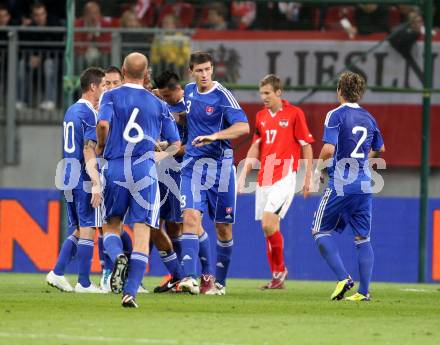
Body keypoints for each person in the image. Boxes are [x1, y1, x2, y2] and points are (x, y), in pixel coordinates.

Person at [96, 52, 181, 308]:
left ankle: (118, 256)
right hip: (144, 169)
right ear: (146, 74)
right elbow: (176, 144)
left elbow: (102, 125)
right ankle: (130, 293)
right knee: (143, 232)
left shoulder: (110, 95)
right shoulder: (159, 104)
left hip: (116, 166)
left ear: (123, 70)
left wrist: (101, 145)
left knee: (111, 225)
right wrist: (159, 156)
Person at [178, 51, 249, 295]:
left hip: (220, 169)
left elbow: (243, 127)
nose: (205, 74)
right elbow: (177, 107)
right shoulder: (188, 91)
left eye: (208, 69)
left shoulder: (222, 96)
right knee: (190, 218)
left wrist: (216, 135)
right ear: (191, 72)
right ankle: (189, 277)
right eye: (199, 70)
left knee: (223, 229)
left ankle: (218, 282)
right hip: (192, 167)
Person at [312, 71, 385, 301]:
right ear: (359, 93)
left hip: (342, 181)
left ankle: (343, 278)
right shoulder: (369, 117)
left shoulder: (335, 115)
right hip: (364, 182)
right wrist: (363, 160)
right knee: (363, 238)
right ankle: (364, 293)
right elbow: (380, 149)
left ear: (339, 91)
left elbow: (328, 149)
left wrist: (317, 170)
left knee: (319, 230)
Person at [238, 74, 314, 289]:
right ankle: (277, 276)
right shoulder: (261, 116)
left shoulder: (294, 114)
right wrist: (243, 174)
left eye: (267, 93)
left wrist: (308, 177)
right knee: (268, 228)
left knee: (268, 222)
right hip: (264, 178)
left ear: (278, 93)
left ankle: (280, 272)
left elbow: (306, 145)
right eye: (261, 93)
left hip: (285, 177)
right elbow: (255, 146)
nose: (264, 97)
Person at [152, 70, 215, 294]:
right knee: (165, 224)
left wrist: (169, 151)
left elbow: (197, 143)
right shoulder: (163, 105)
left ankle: (206, 276)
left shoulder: (193, 106)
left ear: (178, 89)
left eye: (167, 96)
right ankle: (179, 275)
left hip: (188, 170)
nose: (165, 100)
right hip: (165, 171)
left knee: (190, 222)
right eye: (163, 96)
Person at [46, 67, 106, 293]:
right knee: (89, 228)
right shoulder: (90, 113)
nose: (104, 90)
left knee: (80, 229)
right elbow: (87, 149)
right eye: (102, 86)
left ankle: (58, 272)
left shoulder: (71, 110)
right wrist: (96, 182)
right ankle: (83, 282)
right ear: (93, 87)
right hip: (82, 175)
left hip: (67, 174)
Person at [17, 2, 62, 111]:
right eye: (37, 15)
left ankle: (49, 100)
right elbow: (24, 47)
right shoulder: (29, 27)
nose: (40, 17)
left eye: (42, 14)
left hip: (51, 59)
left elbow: (56, 48)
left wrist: (40, 57)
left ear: (46, 14)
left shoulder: (55, 24)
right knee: (22, 64)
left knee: (48, 65)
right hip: (33, 60)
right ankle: (22, 101)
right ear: (32, 16)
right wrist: (30, 58)